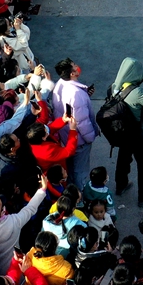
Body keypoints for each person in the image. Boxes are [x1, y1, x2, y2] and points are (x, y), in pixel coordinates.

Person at [108, 57, 143, 207]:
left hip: (125, 133)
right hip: (140, 135)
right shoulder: (136, 92)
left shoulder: (116, 87)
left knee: (123, 159)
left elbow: (132, 81)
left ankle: (121, 185)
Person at [52, 58, 98, 189]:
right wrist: (90, 138)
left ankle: (72, 192)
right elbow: (82, 122)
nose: (77, 66)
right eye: (74, 66)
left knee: (71, 170)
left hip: (66, 135)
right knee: (80, 172)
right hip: (79, 140)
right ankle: (80, 198)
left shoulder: (60, 84)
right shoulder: (76, 93)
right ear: (72, 73)